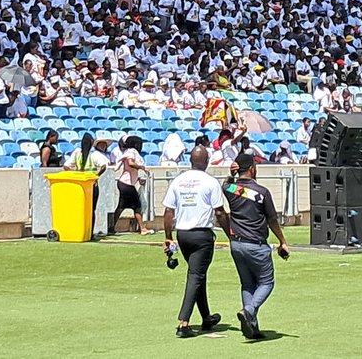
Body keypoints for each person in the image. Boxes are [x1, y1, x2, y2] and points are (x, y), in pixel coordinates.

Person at [220, 153, 289, 341]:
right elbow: (272, 220)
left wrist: (231, 175)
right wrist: (283, 241)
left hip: (236, 244)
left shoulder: (231, 188)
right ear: (252, 168)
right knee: (267, 282)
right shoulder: (262, 192)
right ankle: (249, 310)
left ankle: (252, 327)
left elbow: (224, 185)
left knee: (247, 284)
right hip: (256, 244)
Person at [162, 145, 227, 338]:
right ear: (206, 162)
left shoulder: (178, 180)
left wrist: (168, 236)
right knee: (196, 276)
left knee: (198, 275)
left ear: (190, 161)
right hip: (202, 235)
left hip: (183, 235)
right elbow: (220, 212)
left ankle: (206, 317)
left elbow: (168, 212)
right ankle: (184, 323)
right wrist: (231, 233)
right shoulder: (210, 182)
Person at [114, 135, 154, 235]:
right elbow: (130, 163)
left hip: (125, 183)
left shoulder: (129, 152)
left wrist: (138, 178)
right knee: (137, 206)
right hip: (127, 184)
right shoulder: (131, 152)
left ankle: (111, 226)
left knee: (121, 207)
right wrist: (142, 168)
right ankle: (142, 229)